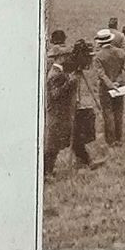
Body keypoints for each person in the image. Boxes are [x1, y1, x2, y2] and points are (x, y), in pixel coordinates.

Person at [43, 43, 90, 176]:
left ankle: (85, 161)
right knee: (53, 146)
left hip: (63, 113)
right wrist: (71, 82)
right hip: (57, 115)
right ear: (59, 57)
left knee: (75, 138)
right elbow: (55, 94)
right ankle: (46, 173)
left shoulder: (58, 72)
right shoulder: (55, 74)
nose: (67, 57)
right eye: (65, 55)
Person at [93, 29, 125, 144]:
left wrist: (111, 85)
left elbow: (101, 74)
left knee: (108, 112)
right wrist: (118, 82)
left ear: (100, 42)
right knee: (118, 112)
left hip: (105, 88)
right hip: (120, 87)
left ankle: (111, 140)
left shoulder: (98, 56)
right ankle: (119, 138)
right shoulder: (121, 52)